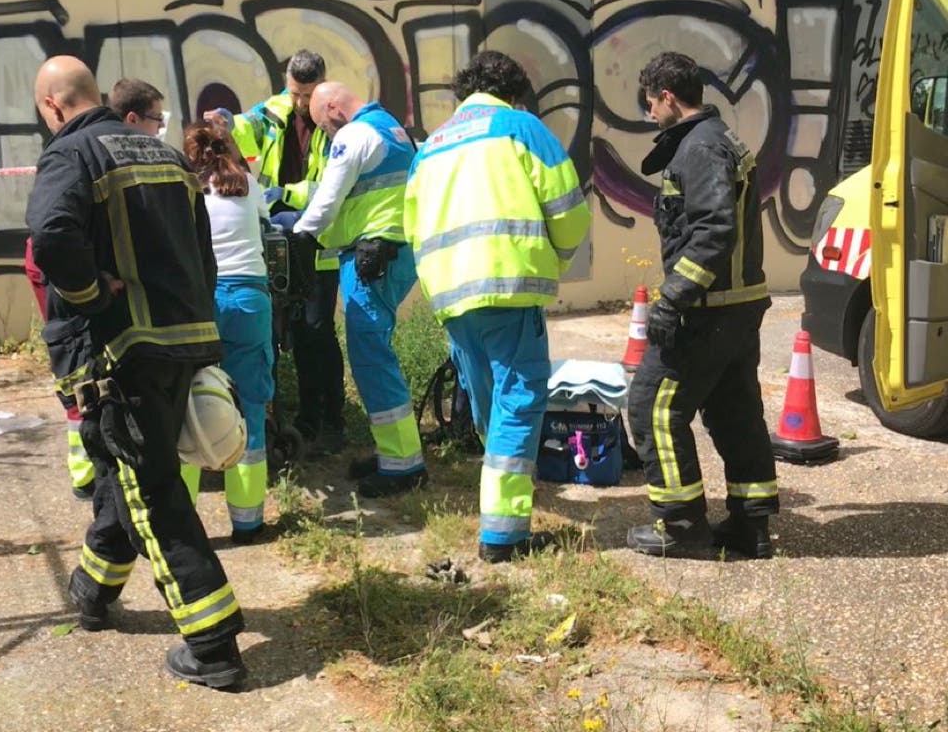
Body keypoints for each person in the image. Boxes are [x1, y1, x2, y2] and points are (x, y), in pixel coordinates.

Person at [26, 56, 246, 688]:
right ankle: (93, 592)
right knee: (122, 470)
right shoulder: (167, 156)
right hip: (182, 342)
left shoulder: (71, 154)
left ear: (52, 106)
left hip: (119, 354)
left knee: (152, 492)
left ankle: (213, 646)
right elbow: (203, 255)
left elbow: (51, 235)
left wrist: (92, 294)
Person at [403, 51, 591, 563]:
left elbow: (411, 225)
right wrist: (555, 256)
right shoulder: (522, 128)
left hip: (451, 295)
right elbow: (569, 212)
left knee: (491, 405)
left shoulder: (431, 146)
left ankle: (502, 500)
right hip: (509, 285)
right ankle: (504, 536)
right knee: (518, 402)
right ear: (514, 94)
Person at [626, 52, 778, 559]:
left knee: (652, 406)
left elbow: (714, 230)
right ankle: (751, 525)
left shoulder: (701, 147)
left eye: (650, 103)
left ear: (668, 97)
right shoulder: (718, 138)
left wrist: (673, 297)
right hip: (736, 306)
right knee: (734, 411)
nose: (650, 113)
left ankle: (682, 526)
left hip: (708, 309)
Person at [286, 81, 426, 497]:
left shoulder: (354, 134)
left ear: (333, 108)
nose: (326, 134)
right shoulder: (393, 129)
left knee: (371, 358)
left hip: (371, 259)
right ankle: (396, 453)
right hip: (394, 253)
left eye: (322, 126)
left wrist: (303, 236)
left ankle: (402, 465)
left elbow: (329, 196)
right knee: (376, 353)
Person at [224, 50, 346, 457]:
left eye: (307, 95)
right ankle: (287, 417)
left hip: (317, 246)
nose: (300, 102)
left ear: (322, 86)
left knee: (316, 333)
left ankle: (327, 420)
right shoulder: (275, 110)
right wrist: (226, 123)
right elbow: (247, 127)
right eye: (295, 93)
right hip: (277, 239)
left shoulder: (335, 123)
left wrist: (284, 194)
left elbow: (330, 188)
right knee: (279, 333)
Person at [183, 120, 273, 544]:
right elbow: (267, 222)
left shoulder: (186, 190)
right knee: (250, 404)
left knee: (187, 404)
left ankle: (183, 525)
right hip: (250, 299)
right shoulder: (247, 185)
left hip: (202, 301)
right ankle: (248, 522)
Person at [23, 238, 95, 500]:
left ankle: (84, 472)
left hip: (49, 261)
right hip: (66, 266)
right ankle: (87, 472)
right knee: (79, 364)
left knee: (71, 363)